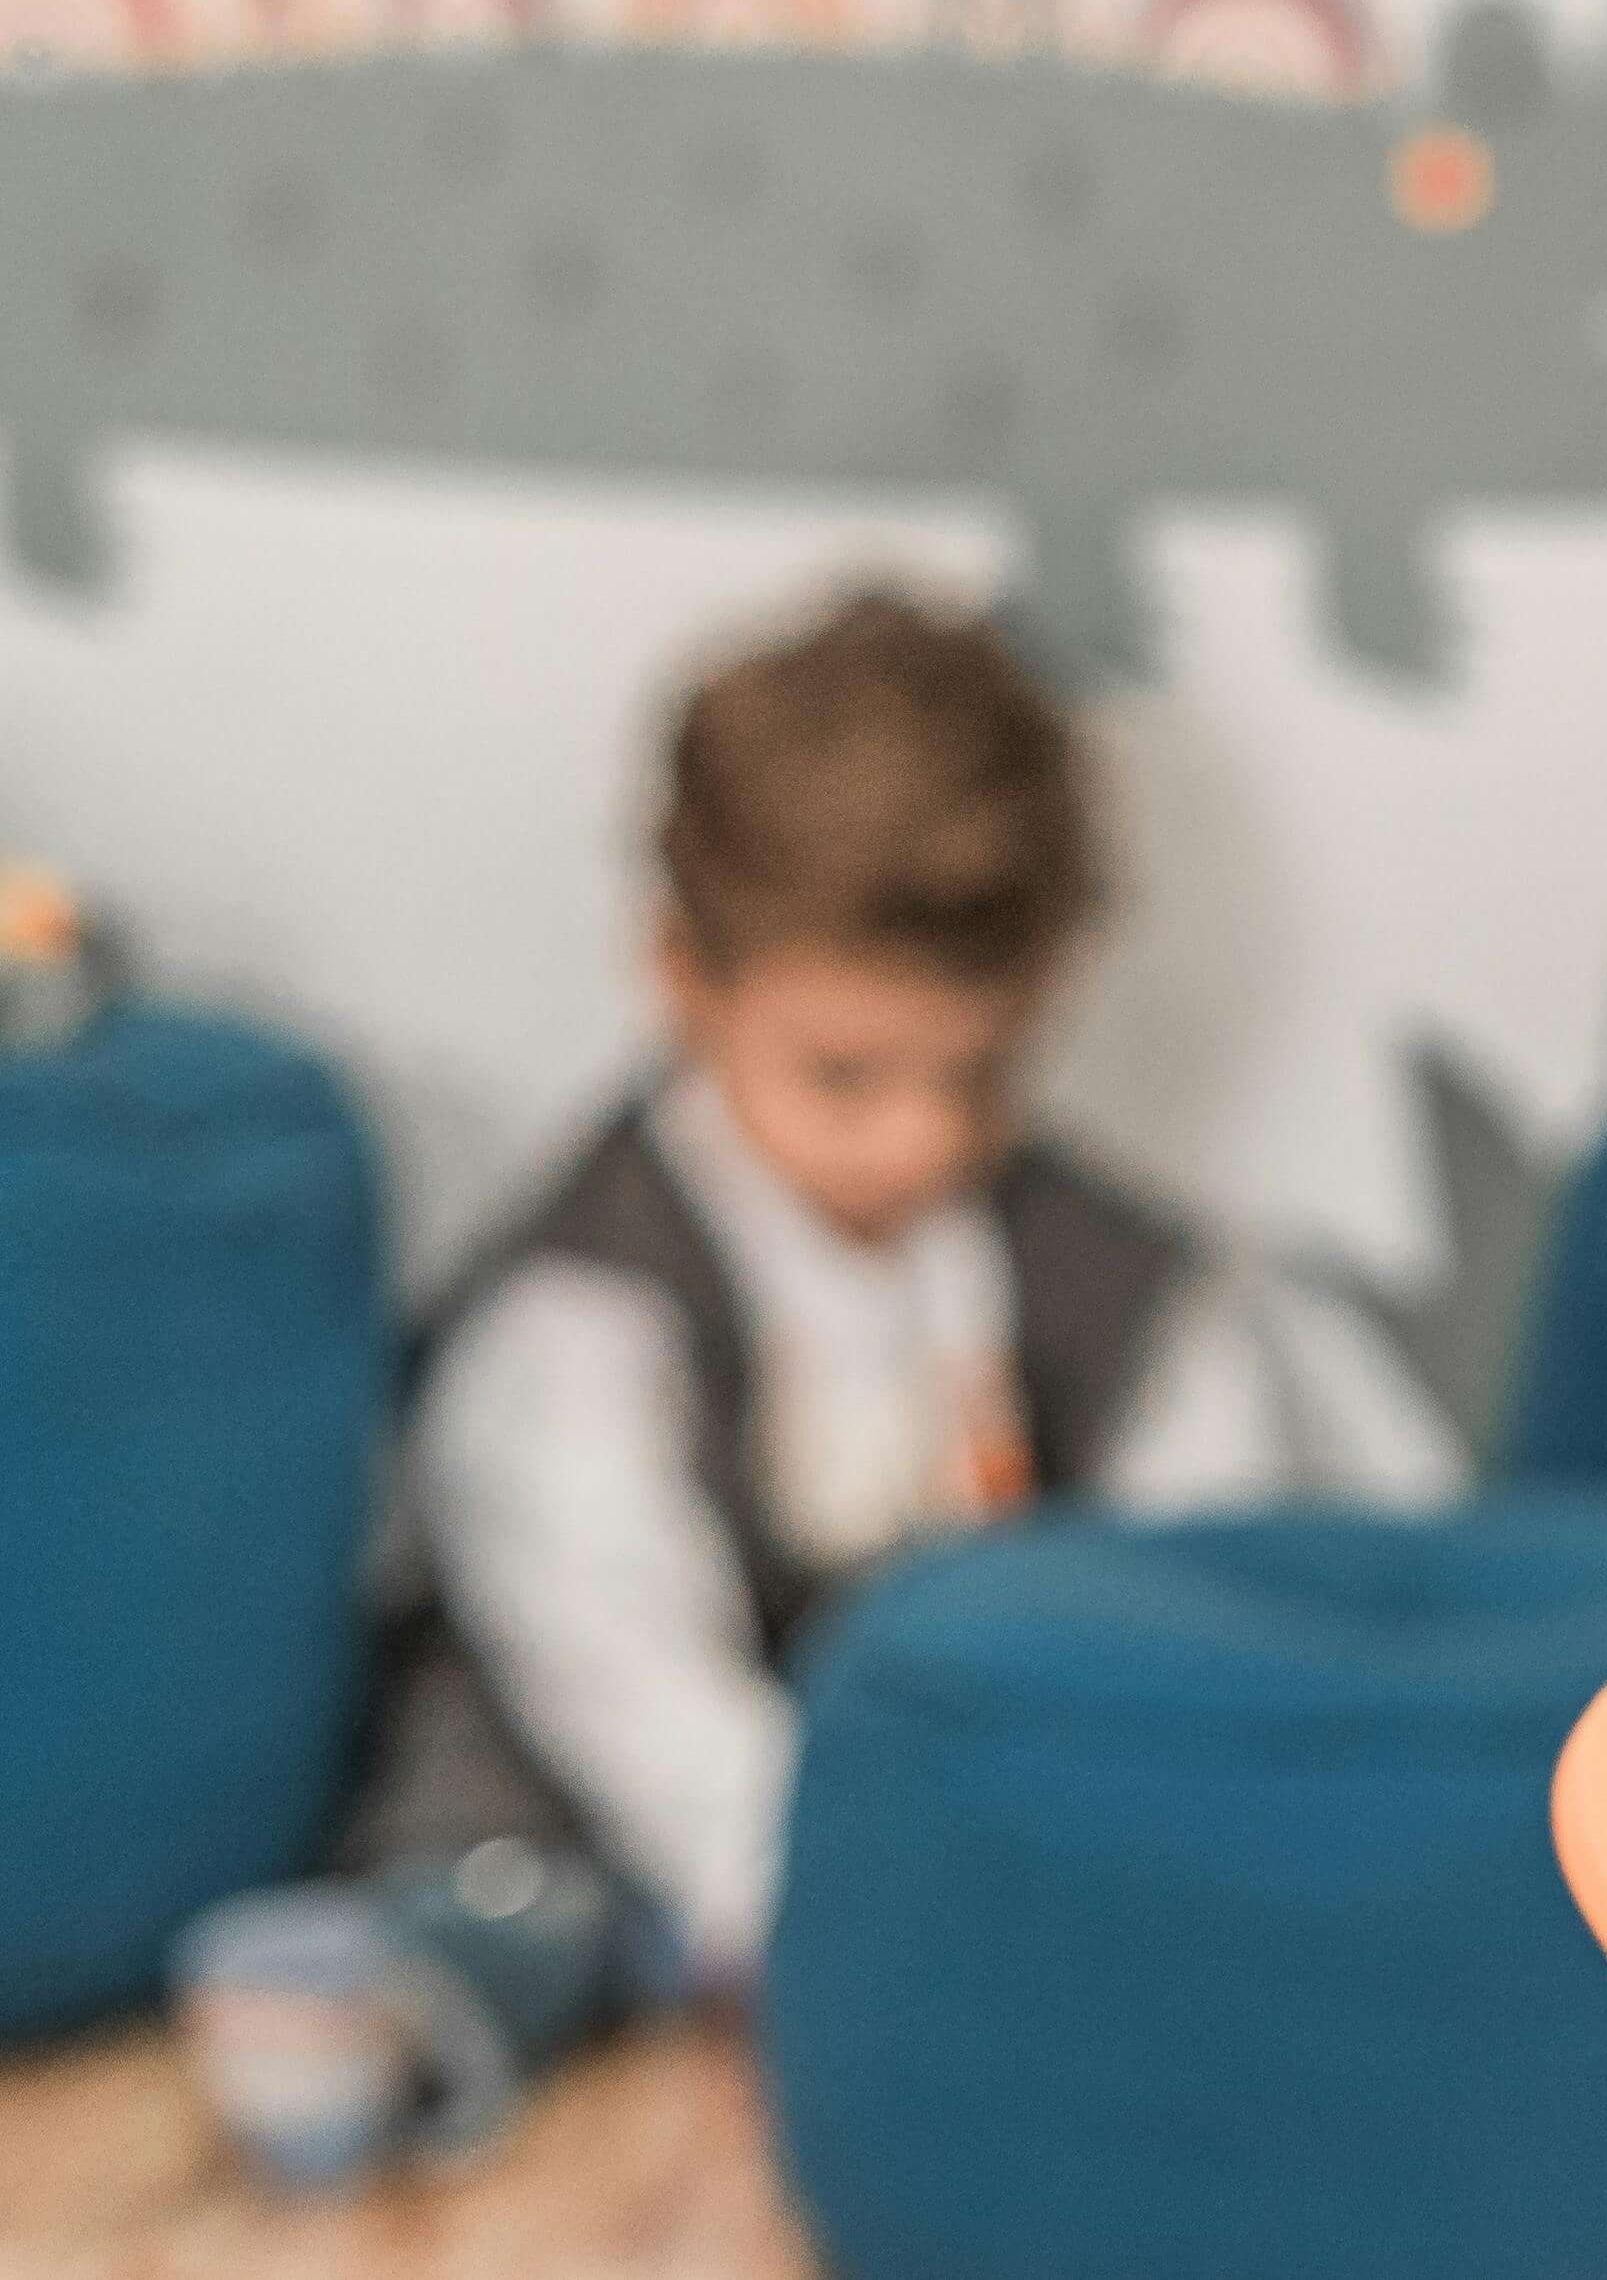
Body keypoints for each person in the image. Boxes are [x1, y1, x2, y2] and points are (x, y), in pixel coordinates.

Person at [222, 590, 1450, 2177]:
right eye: (844, 1077)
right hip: (639, 1828)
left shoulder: (1124, 1285)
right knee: (498, 1916)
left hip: (999, 1831)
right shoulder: (583, 1314)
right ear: (682, 974)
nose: (924, 1141)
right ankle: (411, 2017)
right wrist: (875, 1924)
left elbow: (1189, 1603)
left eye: (984, 1073)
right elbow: (643, 1702)